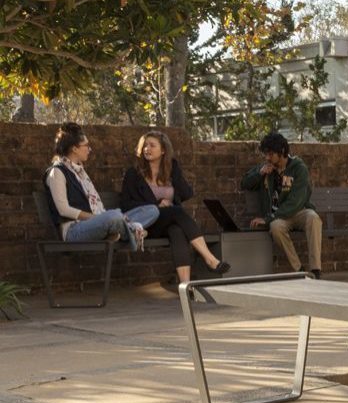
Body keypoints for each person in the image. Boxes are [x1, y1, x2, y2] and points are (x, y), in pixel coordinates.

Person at [120, 131, 230, 284]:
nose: (147, 149)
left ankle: (185, 285)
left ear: (163, 150)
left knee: (177, 231)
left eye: (152, 145)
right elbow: (125, 205)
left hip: (168, 222)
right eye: (145, 145)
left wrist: (173, 172)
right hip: (146, 226)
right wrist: (156, 204)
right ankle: (210, 259)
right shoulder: (134, 174)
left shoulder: (171, 168)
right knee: (177, 211)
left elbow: (186, 193)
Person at [44, 122, 158, 251]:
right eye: (86, 145)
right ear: (74, 148)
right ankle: (132, 230)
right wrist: (98, 218)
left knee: (151, 210)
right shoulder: (57, 172)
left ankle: (121, 230)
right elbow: (64, 210)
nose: (89, 149)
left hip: (99, 223)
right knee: (113, 216)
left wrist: (103, 218)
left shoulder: (80, 172)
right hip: (74, 230)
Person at [241, 132, 322, 278]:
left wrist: (268, 218)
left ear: (282, 152)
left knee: (313, 218)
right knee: (276, 227)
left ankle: (316, 269)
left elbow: (295, 202)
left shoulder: (298, 168)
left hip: (297, 212)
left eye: (271, 154)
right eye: (265, 154)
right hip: (280, 218)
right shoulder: (266, 168)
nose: (267, 157)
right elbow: (245, 183)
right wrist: (260, 174)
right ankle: (299, 270)